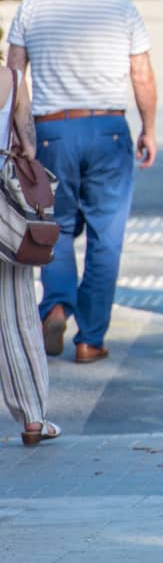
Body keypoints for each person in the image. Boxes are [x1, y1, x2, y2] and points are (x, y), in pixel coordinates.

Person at [10, 0, 157, 365]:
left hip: (52, 130)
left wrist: (22, 137)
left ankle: (55, 305)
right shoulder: (122, 8)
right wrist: (149, 127)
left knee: (53, 228)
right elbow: (142, 74)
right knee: (106, 236)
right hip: (108, 129)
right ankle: (91, 338)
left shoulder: (32, 6)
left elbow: (14, 77)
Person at [0, 66, 50, 445]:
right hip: (5, 218)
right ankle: (33, 417)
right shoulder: (12, 79)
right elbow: (28, 147)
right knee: (17, 316)